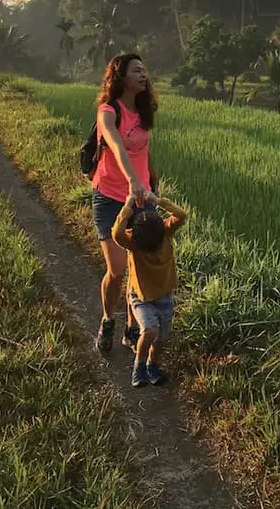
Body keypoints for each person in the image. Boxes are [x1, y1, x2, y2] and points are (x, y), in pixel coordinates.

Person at [91, 53, 159, 355]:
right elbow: (117, 146)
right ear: (121, 77)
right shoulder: (108, 111)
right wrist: (132, 180)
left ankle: (132, 329)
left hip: (142, 199)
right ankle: (108, 320)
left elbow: (142, 150)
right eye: (136, 71)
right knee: (117, 270)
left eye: (144, 70)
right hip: (110, 196)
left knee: (137, 269)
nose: (143, 75)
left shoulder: (144, 111)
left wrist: (149, 181)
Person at [112, 193, 187, 387]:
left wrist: (157, 200)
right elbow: (116, 233)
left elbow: (181, 215)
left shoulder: (165, 230)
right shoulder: (133, 243)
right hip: (141, 298)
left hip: (164, 297)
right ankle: (139, 367)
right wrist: (128, 203)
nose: (151, 251)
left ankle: (152, 365)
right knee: (150, 331)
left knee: (161, 338)